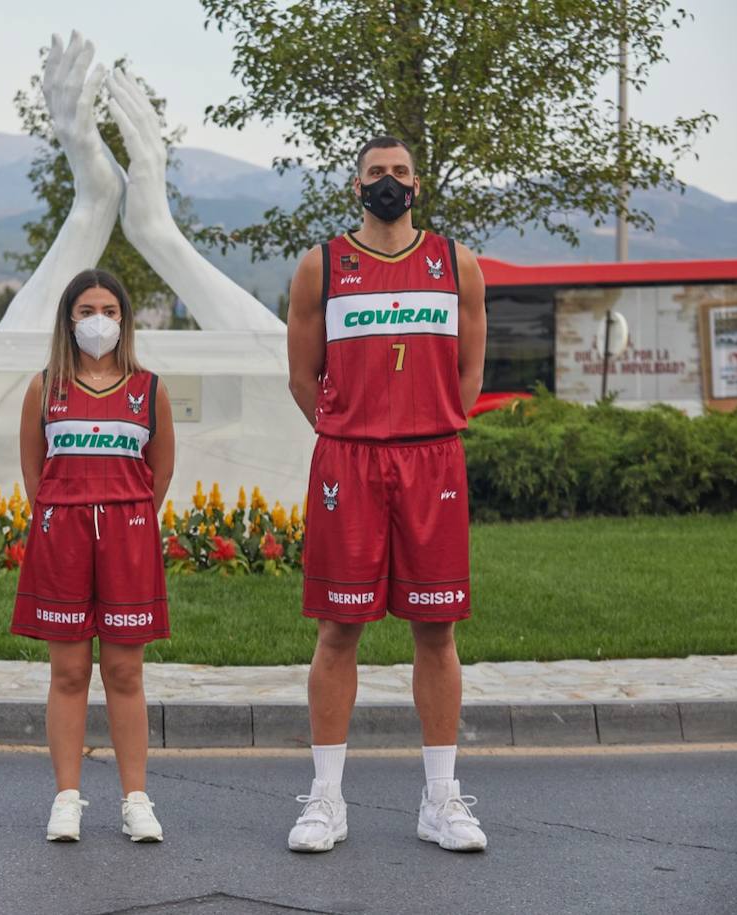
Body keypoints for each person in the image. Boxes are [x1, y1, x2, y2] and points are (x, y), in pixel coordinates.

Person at [285, 136, 488, 853]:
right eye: (377, 173)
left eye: (400, 172)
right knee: (339, 629)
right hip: (351, 461)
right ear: (356, 185)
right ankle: (326, 801)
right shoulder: (322, 266)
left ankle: (441, 801)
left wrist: (425, 427)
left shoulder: (457, 263)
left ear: (418, 184)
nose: (389, 182)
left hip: (432, 461)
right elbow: (303, 378)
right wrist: (352, 434)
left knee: (436, 631)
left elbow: (467, 372)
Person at [12, 268, 175, 843]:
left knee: (126, 672)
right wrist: (67, 512)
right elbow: (35, 473)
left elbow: (160, 472)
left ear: (124, 319)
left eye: (109, 309)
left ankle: (136, 799)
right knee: (70, 671)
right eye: (86, 311)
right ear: (68, 319)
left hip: (127, 537)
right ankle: (67, 798)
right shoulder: (45, 387)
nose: (98, 320)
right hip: (63, 536)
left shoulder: (148, 388)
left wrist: (124, 517)